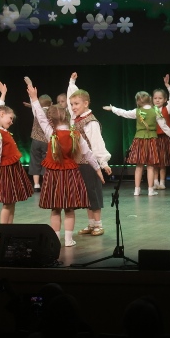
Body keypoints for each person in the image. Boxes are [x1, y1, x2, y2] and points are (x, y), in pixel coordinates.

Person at [26, 79, 103, 247]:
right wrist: (98, 169)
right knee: (69, 209)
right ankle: (68, 240)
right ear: (69, 118)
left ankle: (56, 240)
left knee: (55, 209)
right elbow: (89, 154)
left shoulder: (51, 133)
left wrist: (34, 98)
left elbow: (40, 117)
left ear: (51, 121)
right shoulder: (75, 135)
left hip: (54, 176)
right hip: (70, 175)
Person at [103, 91, 170, 196]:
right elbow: (164, 126)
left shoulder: (137, 111)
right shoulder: (155, 111)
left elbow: (124, 113)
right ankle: (150, 190)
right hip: (152, 140)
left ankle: (137, 190)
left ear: (138, 101)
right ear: (150, 99)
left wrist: (113, 108)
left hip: (139, 141)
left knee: (139, 166)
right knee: (150, 166)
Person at [67, 72, 112, 236]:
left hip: (90, 163)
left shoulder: (90, 122)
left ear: (86, 104)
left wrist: (103, 162)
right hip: (78, 163)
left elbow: (97, 143)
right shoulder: (76, 118)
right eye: (72, 104)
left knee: (93, 192)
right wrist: (72, 82)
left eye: (76, 104)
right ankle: (91, 224)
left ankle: (98, 224)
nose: (73, 107)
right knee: (85, 193)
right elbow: (72, 97)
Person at [0, 80, 33, 224]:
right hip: (5, 170)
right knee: (7, 202)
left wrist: (3, 94)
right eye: (10, 118)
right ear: (2, 115)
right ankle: (4, 229)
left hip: (12, 168)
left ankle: (10, 228)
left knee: (12, 201)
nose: (11, 122)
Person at [152, 74, 170, 190]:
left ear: (165, 100)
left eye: (160, 98)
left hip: (164, 138)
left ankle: (162, 182)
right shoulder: (150, 110)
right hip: (153, 138)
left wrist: (167, 85)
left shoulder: (167, 108)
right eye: (155, 98)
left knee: (163, 162)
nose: (157, 100)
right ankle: (155, 182)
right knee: (154, 162)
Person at [25, 93, 52, 193]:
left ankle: (36, 185)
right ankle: (45, 184)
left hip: (35, 140)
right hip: (46, 141)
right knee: (46, 161)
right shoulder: (52, 112)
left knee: (35, 160)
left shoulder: (37, 111)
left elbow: (35, 105)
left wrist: (32, 104)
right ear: (51, 104)